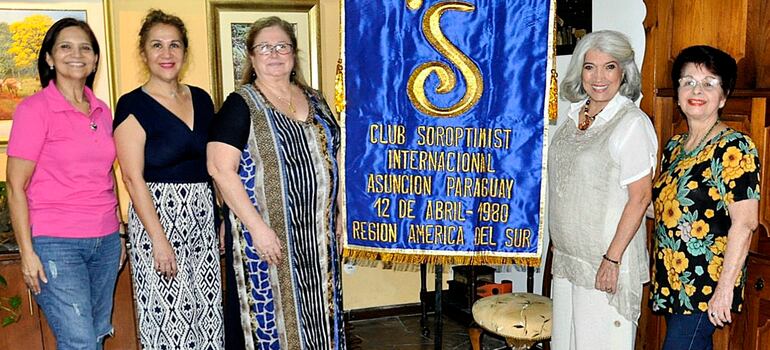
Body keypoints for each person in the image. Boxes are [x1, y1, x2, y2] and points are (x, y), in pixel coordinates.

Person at [207, 16, 346, 349]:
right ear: (252, 58)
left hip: (318, 238)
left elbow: (338, 156)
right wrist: (258, 229)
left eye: (282, 46)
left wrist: (343, 211)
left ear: (294, 55)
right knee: (273, 326)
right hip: (268, 240)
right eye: (264, 47)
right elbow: (219, 168)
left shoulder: (316, 100)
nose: (274, 54)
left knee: (320, 319)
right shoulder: (241, 104)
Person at [7, 18, 122, 349]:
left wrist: (119, 231)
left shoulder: (102, 111)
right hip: (56, 243)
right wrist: (27, 252)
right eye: (65, 47)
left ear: (96, 59)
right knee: (79, 341)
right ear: (49, 58)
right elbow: (15, 186)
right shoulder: (35, 109)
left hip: (105, 240)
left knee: (97, 332)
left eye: (85, 47)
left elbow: (107, 175)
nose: (77, 54)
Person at [113, 9, 224, 349]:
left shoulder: (203, 99)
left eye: (174, 45)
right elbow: (132, 178)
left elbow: (214, 163)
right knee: (168, 320)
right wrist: (158, 239)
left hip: (203, 218)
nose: (167, 53)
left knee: (208, 315)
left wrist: (222, 218)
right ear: (144, 53)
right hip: (158, 219)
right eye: (157, 45)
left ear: (185, 52)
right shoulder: (132, 105)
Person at [548, 30, 657, 349]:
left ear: (624, 72)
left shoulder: (631, 123)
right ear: (579, 70)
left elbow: (641, 198)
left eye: (609, 66)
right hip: (569, 260)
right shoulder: (573, 117)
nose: (599, 77)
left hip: (605, 264)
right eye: (589, 66)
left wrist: (612, 259)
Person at [650, 45, 760, 349]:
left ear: (723, 96)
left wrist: (724, 289)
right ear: (678, 92)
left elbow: (745, 222)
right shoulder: (674, 146)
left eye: (709, 83)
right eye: (688, 81)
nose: (696, 90)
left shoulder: (735, 147)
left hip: (705, 284)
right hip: (672, 280)